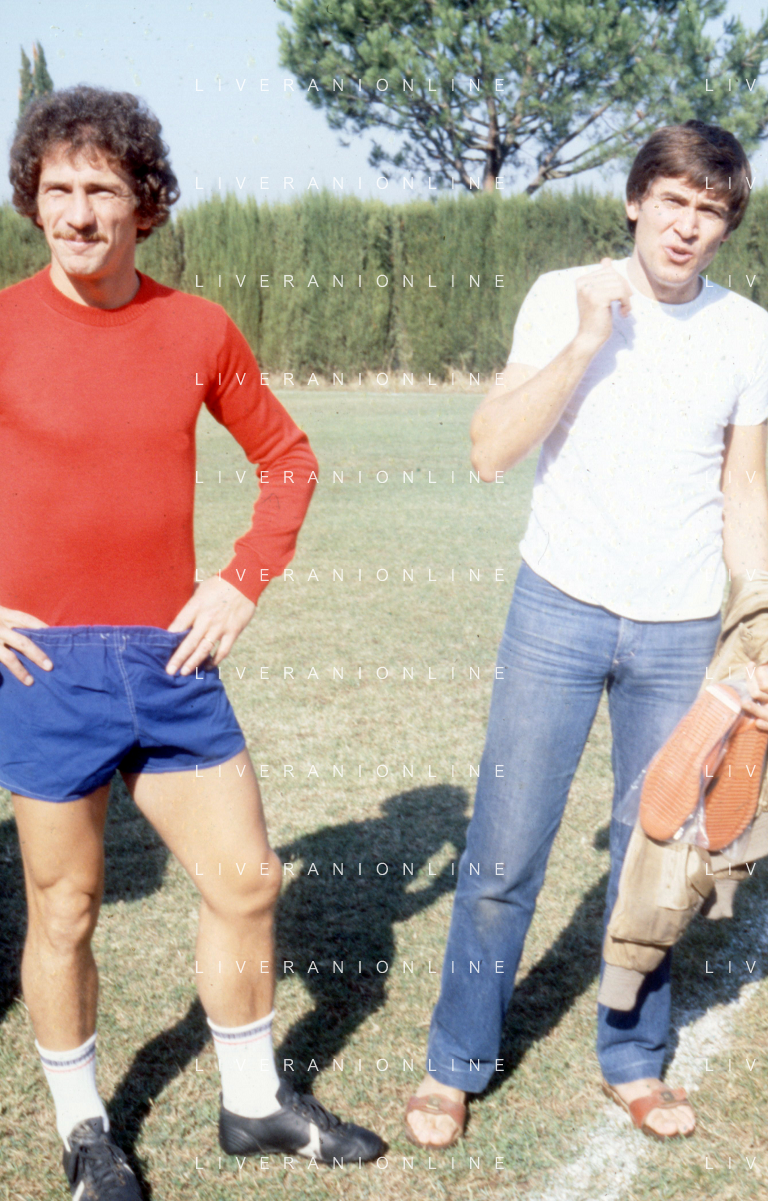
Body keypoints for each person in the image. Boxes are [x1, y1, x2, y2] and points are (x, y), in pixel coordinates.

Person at [0, 86, 383, 1200]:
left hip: (170, 662)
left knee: (249, 880)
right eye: (57, 189)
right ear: (33, 198)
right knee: (65, 907)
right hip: (45, 667)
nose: (77, 213)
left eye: (101, 190)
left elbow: (289, 459)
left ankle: (253, 1104)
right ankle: (86, 1132)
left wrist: (241, 580)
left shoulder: (198, 328)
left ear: (146, 202)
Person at [405, 119, 768, 1148]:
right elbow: (490, 450)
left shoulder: (750, 331)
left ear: (726, 227)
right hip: (557, 610)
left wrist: (757, 627)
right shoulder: (563, 293)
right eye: (674, 200)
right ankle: (455, 1061)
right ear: (636, 200)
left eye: (711, 210)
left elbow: (746, 488)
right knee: (504, 849)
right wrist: (583, 341)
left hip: (682, 627)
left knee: (656, 858)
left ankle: (634, 1057)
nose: (687, 225)